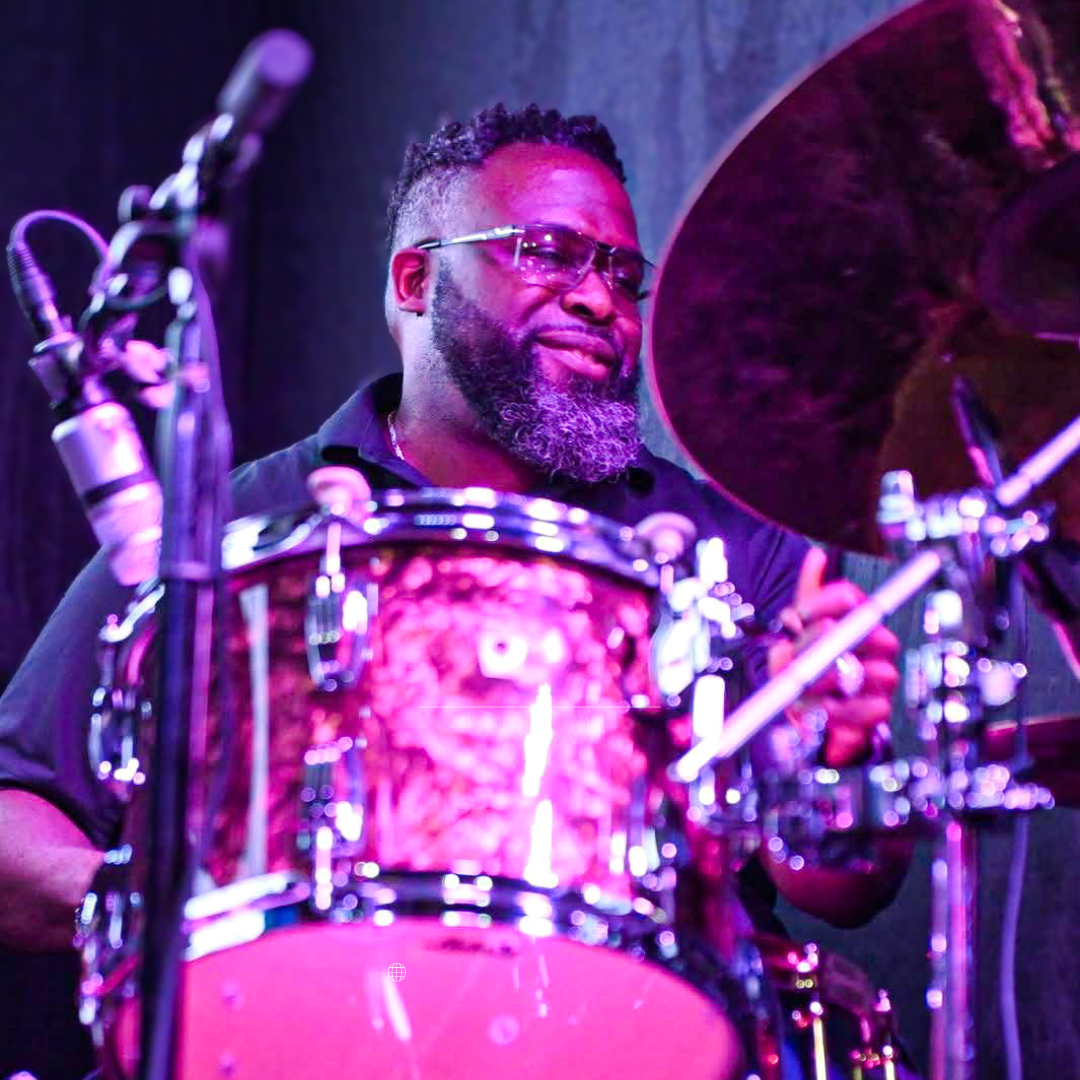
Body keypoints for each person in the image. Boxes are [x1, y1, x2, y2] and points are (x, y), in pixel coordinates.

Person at [0, 101, 901, 987]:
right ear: (415, 282)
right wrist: (163, 922)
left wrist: (831, 749)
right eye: (546, 252)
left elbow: (845, 892)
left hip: (658, 1026)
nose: (600, 299)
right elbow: (15, 810)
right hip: (317, 1025)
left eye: (622, 273)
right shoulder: (233, 534)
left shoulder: (732, 543)